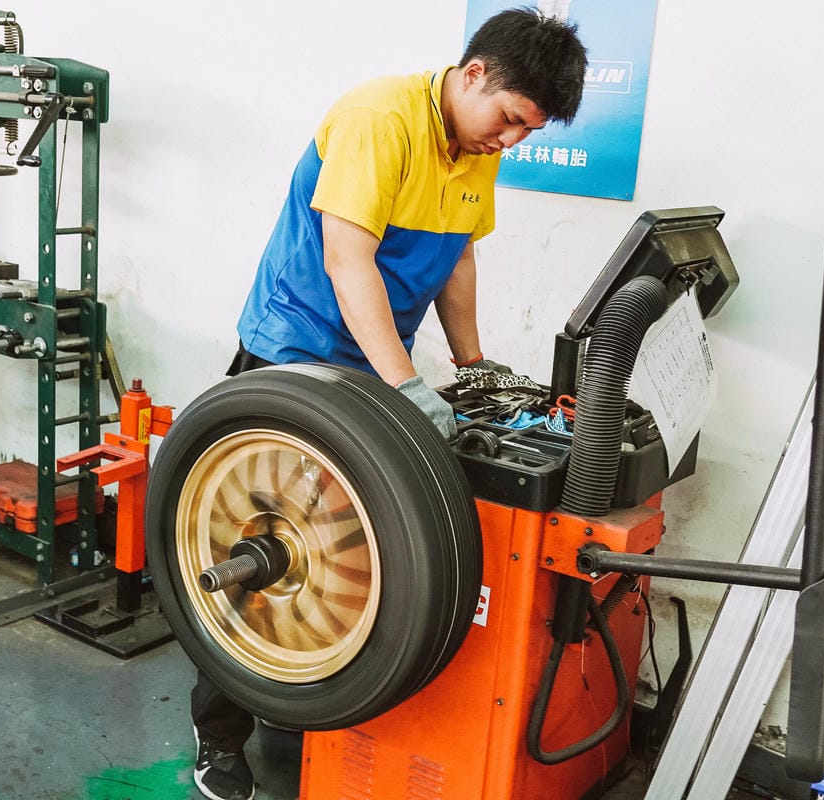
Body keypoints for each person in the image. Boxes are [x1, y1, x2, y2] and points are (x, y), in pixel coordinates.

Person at [191, 8, 587, 800]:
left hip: (372, 371)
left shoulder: (473, 145)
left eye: (526, 133)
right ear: (474, 73)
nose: (509, 143)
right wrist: (407, 384)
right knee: (263, 552)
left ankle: (299, 697)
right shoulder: (380, 117)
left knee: (341, 554)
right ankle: (218, 740)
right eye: (509, 120)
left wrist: (472, 364)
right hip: (294, 360)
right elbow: (348, 261)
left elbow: (457, 256)